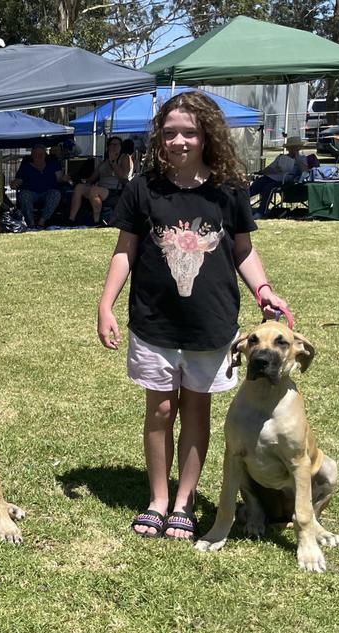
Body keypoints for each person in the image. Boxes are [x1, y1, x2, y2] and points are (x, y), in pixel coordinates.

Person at [97, 91, 289, 541]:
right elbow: (125, 251)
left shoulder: (229, 190)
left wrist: (263, 290)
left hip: (211, 325)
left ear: (207, 136)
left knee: (197, 411)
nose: (179, 141)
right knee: (160, 410)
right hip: (153, 322)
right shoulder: (143, 187)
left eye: (189, 132)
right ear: (158, 138)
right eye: (169, 133)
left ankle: (184, 501)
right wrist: (106, 303)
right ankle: (158, 499)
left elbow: (242, 250)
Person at [68, 136, 128, 226]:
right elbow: (92, 178)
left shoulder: (124, 158)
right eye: (112, 144)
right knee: (79, 188)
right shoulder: (104, 161)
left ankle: (96, 221)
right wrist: (80, 180)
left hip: (114, 190)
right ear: (108, 147)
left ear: (121, 146)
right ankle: (71, 219)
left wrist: (113, 162)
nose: (115, 146)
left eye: (117, 144)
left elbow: (123, 176)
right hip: (101, 187)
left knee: (94, 190)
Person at [249, 135, 309, 216]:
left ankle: (260, 212)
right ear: (288, 148)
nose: (293, 149)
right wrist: (274, 170)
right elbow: (266, 170)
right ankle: (240, 206)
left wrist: (297, 160)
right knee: (256, 185)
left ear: (299, 148)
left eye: (295, 147)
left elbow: (305, 171)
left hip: (284, 180)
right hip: (271, 177)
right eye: (291, 147)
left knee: (268, 188)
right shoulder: (281, 157)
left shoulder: (302, 158)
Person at [11, 143, 64, 228]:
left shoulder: (53, 164)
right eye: (36, 154)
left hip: (48, 192)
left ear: (45, 155)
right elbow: (18, 180)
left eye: (41, 154)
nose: (39, 156)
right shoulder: (25, 167)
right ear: (32, 156)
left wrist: (64, 178)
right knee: (24, 195)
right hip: (31, 193)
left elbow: (60, 178)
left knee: (56, 193)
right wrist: (14, 183)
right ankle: (31, 224)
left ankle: (41, 222)